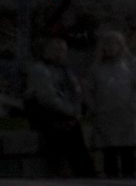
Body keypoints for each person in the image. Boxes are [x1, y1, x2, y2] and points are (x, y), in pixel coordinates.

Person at [23, 37, 95, 178]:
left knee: (78, 145)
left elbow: (76, 92)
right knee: (59, 142)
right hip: (48, 116)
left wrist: (76, 110)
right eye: (55, 50)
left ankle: (85, 174)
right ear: (45, 51)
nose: (59, 53)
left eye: (62, 50)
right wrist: (71, 111)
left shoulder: (66, 71)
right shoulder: (39, 69)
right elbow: (47, 97)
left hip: (67, 114)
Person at [87, 30, 136, 178]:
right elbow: (88, 90)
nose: (111, 47)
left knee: (127, 150)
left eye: (115, 44)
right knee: (109, 150)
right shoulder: (96, 68)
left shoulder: (131, 65)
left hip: (126, 112)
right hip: (105, 113)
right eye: (108, 44)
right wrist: (94, 107)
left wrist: (134, 105)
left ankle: (129, 176)